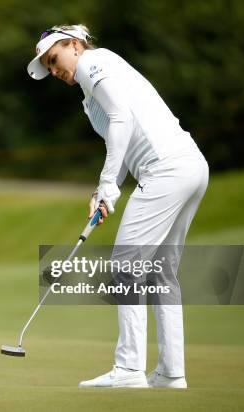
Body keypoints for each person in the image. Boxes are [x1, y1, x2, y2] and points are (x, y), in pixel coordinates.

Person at [27, 24, 209, 389]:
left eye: (55, 58)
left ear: (75, 45)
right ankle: (172, 373)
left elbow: (122, 118)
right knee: (161, 273)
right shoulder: (93, 88)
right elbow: (122, 139)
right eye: (48, 66)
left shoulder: (93, 64)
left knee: (126, 264)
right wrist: (104, 188)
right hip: (189, 166)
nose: (55, 69)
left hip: (166, 169)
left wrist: (111, 183)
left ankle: (128, 370)